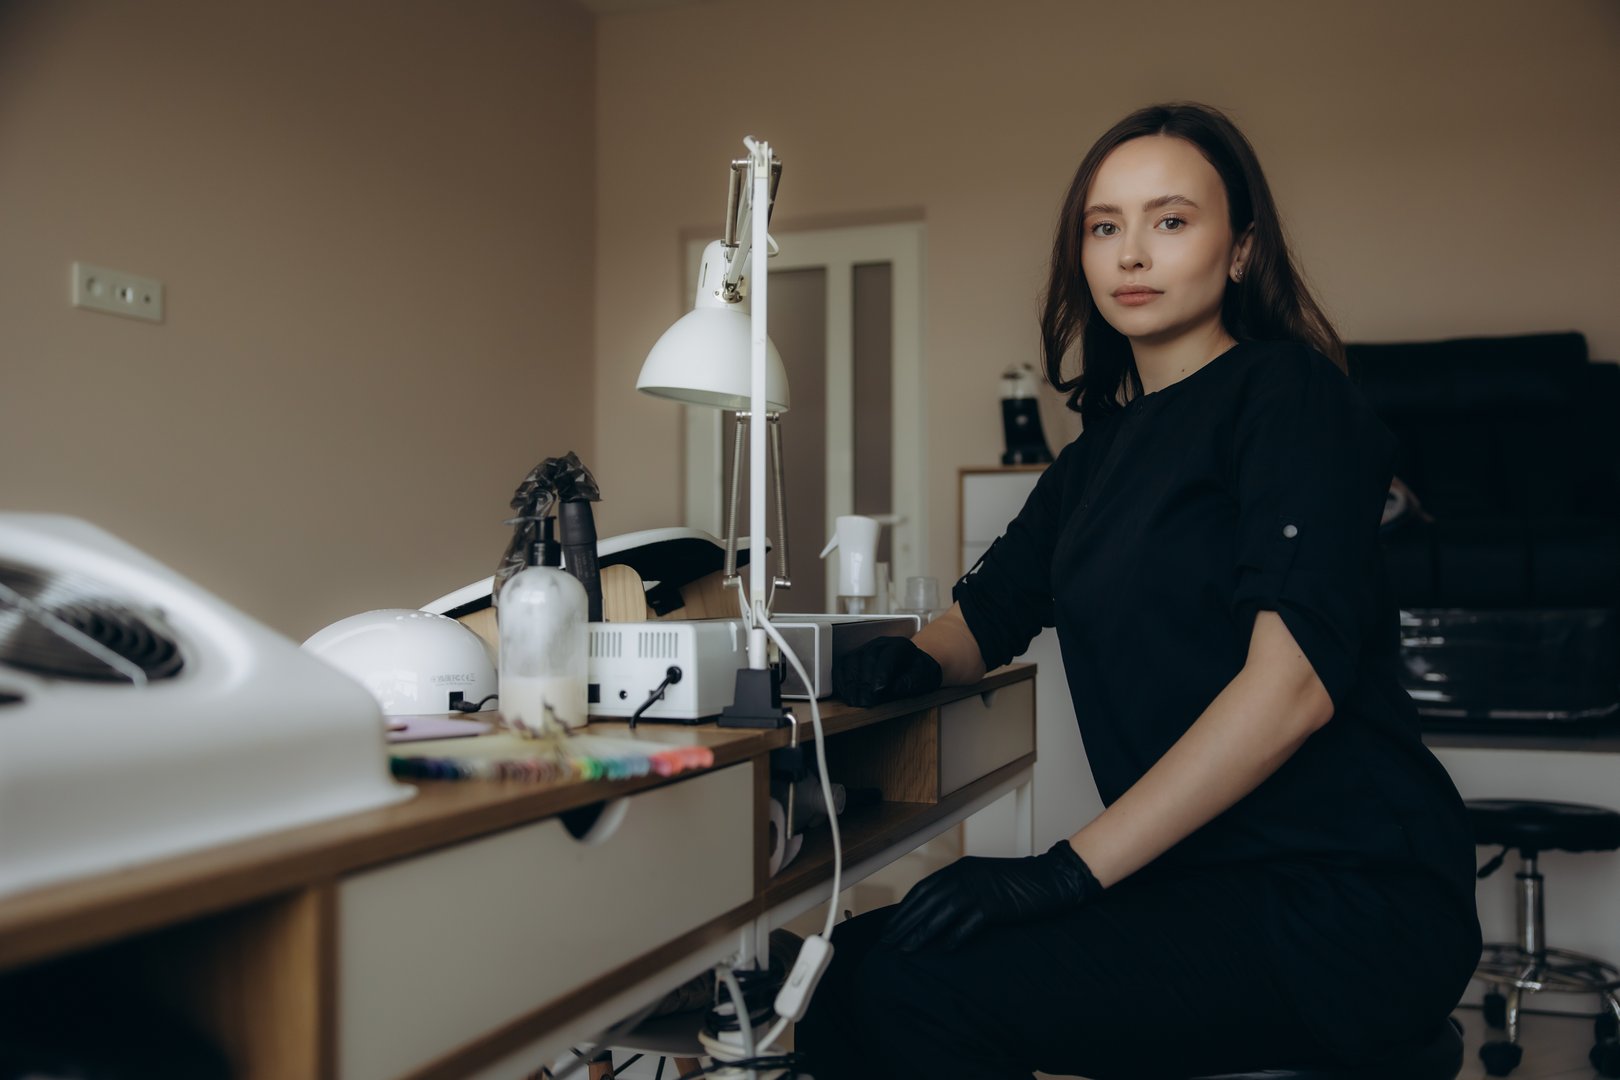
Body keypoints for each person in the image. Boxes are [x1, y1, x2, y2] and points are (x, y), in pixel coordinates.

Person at [798, 103, 1481, 1080]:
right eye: (1103, 226)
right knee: (845, 970)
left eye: (1170, 221)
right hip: (1195, 880)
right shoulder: (1097, 458)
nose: (1131, 253)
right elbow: (987, 615)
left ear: (1240, 250)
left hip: (1347, 896)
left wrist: (1060, 874)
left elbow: (1294, 688)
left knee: (922, 987)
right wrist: (906, 658)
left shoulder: (1290, 398)